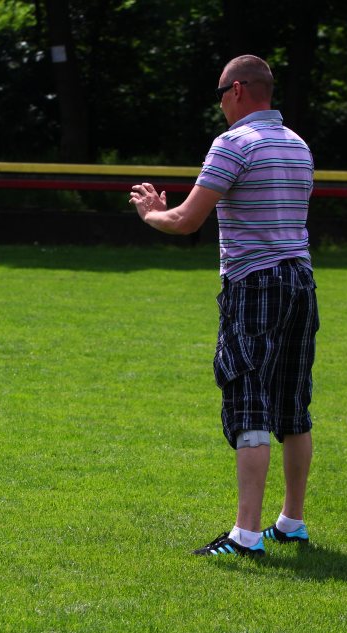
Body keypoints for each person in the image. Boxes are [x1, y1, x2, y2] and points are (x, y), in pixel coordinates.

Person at [129, 55, 319, 557]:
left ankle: (246, 535)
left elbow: (186, 220)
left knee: (248, 398)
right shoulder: (297, 144)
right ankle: (291, 522)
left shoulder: (234, 143)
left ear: (236, 90)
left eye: (219, 94)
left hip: (254, 285)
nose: (219, 104)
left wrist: (150, 214)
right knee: (293, 406)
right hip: (301, 282)